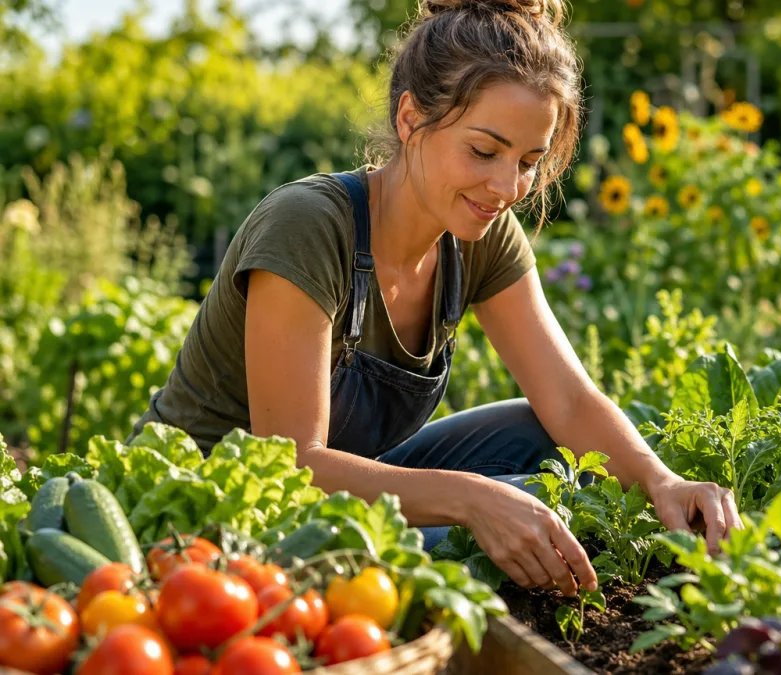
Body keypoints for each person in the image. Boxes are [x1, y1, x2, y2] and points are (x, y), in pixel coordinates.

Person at [132, 0, 741, 598]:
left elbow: (570, 401)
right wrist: (472, 499)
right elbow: (290, 469)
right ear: (409, 120)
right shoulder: (309, 226)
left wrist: (663, 483)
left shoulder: (478, 233)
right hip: (211, 522)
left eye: (529, 161)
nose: (507, 187)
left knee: (553, 447)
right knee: (521, 515)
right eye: (483, 151)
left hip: (339, 504)